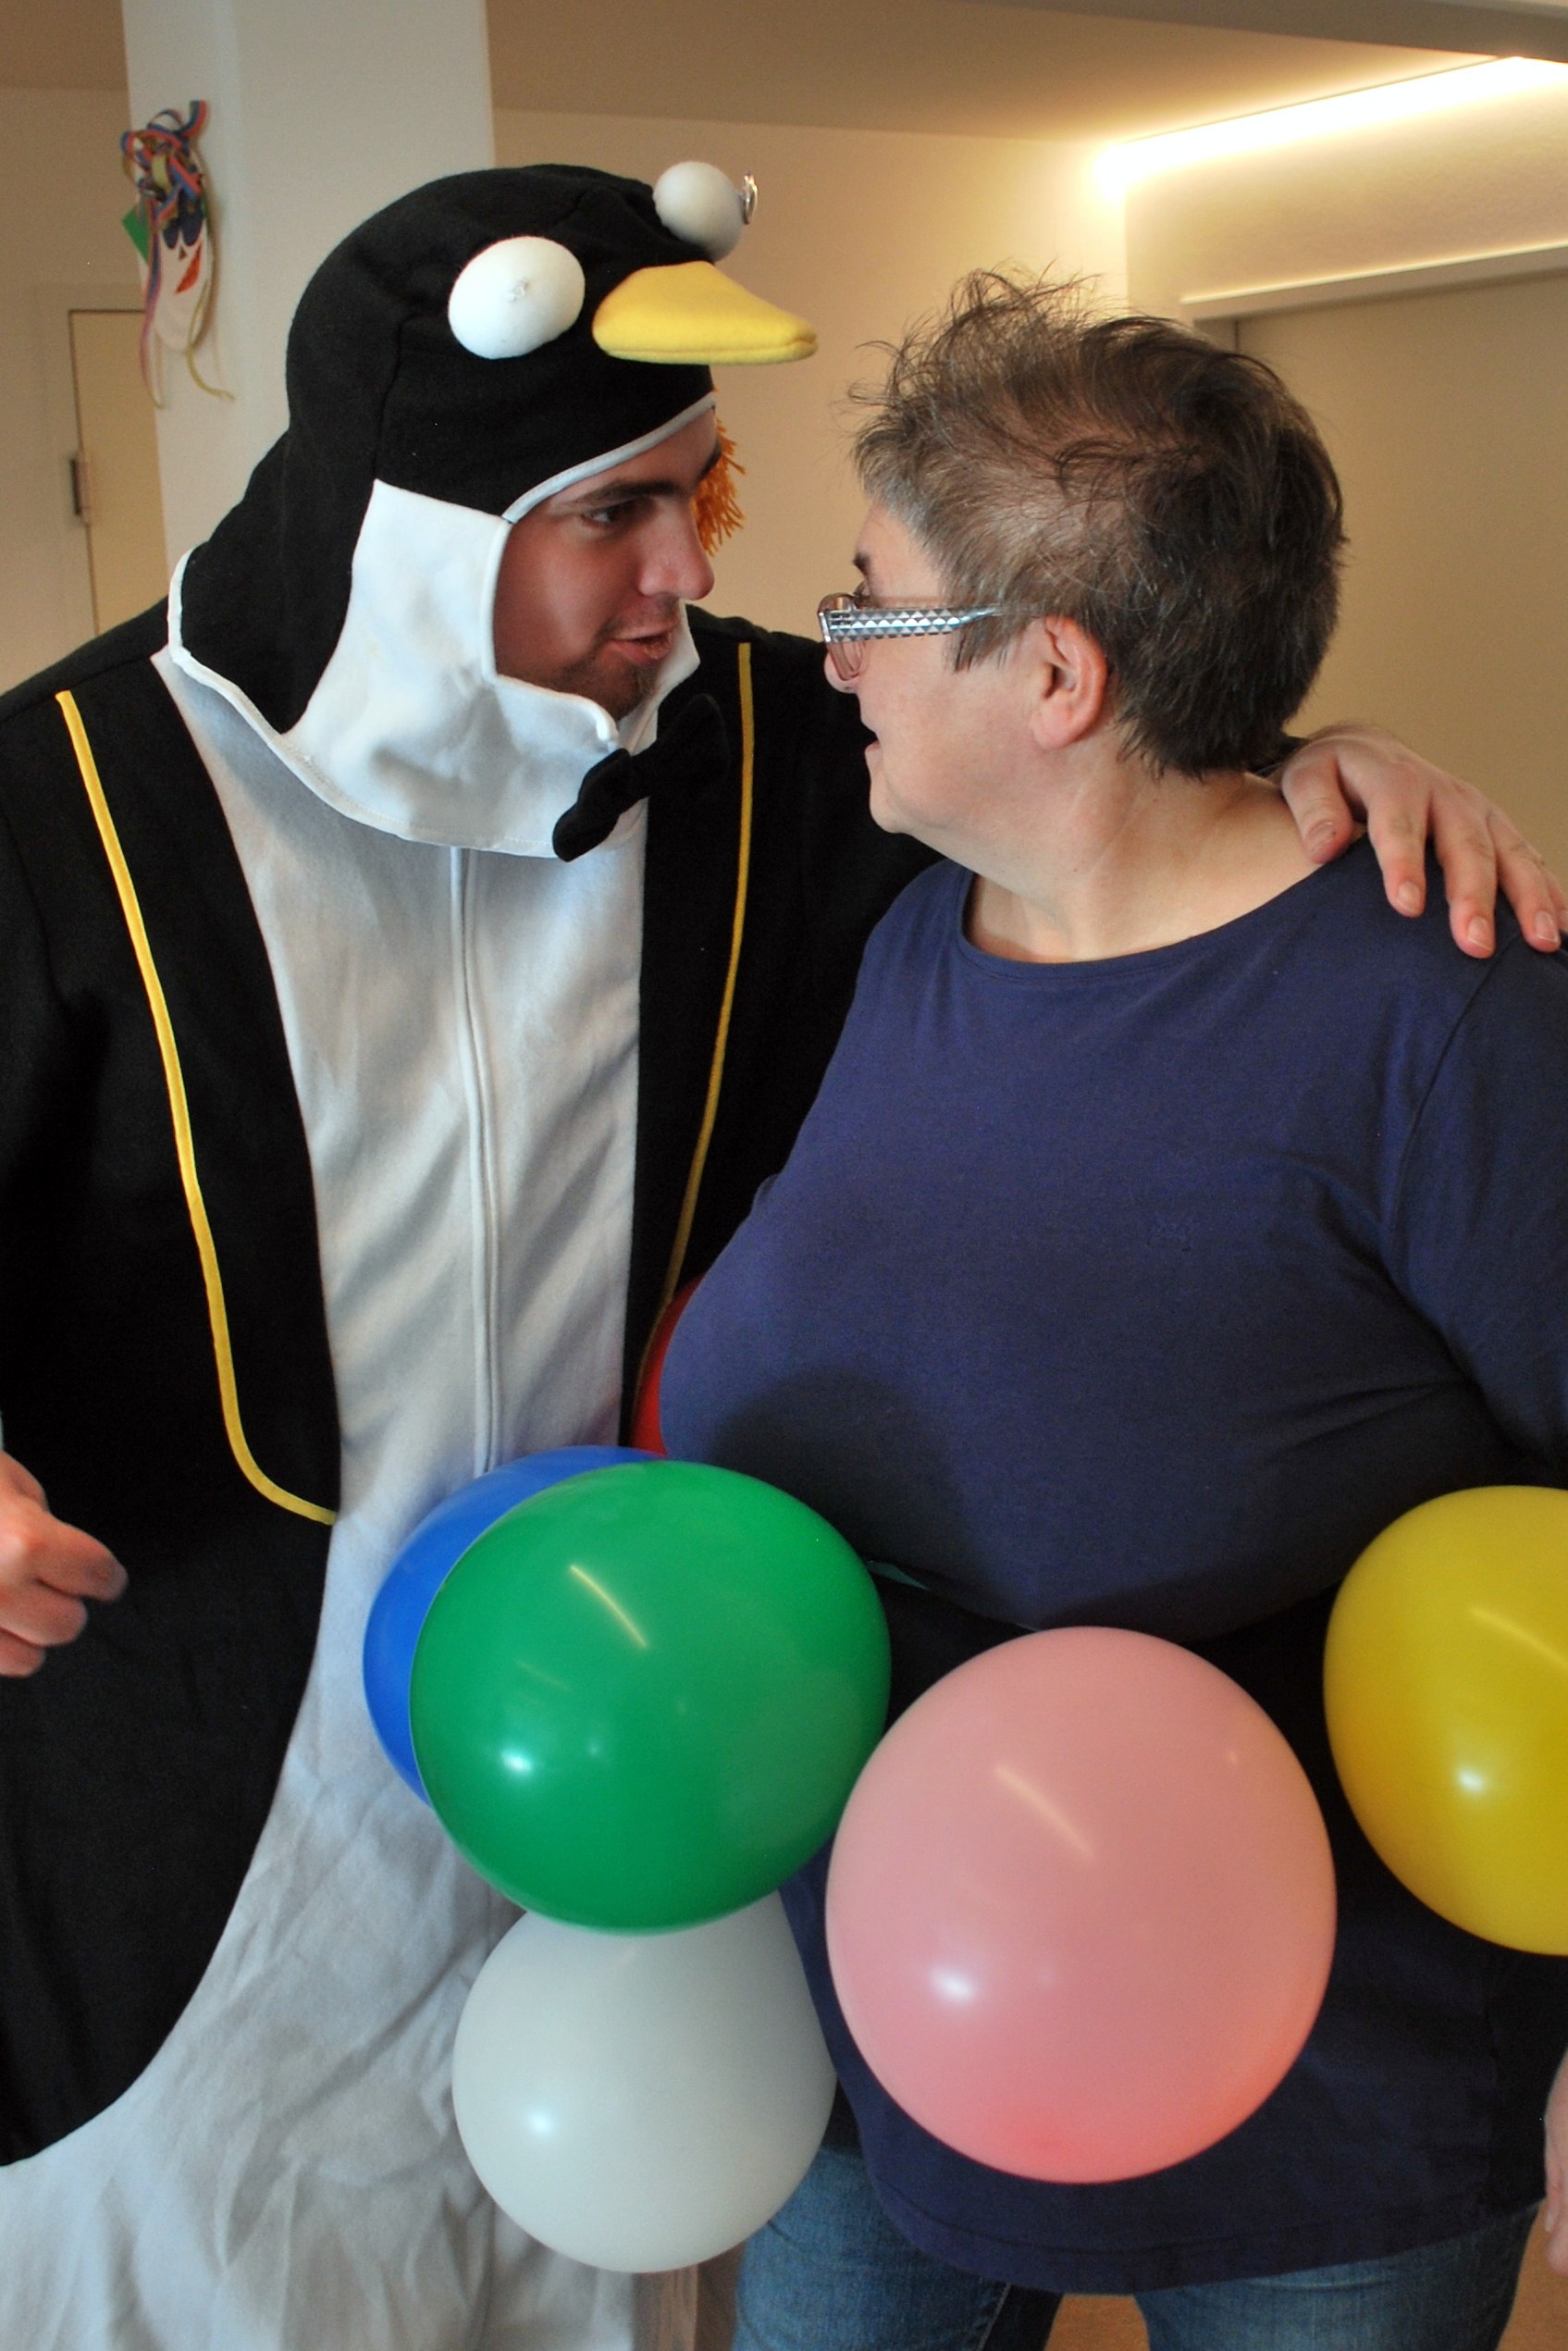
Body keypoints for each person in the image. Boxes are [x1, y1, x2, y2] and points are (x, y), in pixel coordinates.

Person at [0, 166, 1557, 2351]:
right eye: (612, 514)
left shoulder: (776, 769)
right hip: (261, 1782)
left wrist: (1307, 757)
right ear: (427, 527)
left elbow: (1131, 767)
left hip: (1083, 1965)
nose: (702, 584)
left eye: (706, 500)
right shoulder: (59, 801)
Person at [659, 275, 1568, 2351]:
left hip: (1319, 2092)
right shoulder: (916, 941)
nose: (828, 650)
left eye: (870, 603)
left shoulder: (1445, 1022)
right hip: (888, 2014)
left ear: (1055, 671)